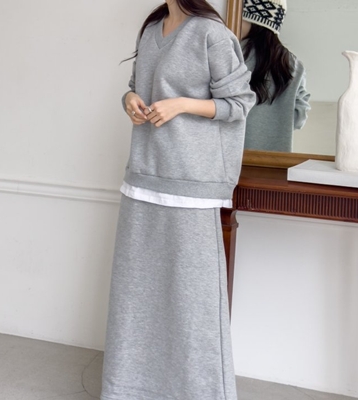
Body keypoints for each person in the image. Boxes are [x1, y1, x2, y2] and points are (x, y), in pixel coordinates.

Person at [101, 1, 255, 399]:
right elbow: (135, 85)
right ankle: (129, 389)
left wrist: (182, 104)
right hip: (143, 176)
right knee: (135, 296)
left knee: (193, 303)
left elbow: (240, 103)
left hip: (191, 184)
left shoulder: (211, 34)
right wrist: (130, 100)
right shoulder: (152, 30)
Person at [241, 0, 311, 152]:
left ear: (252, 19)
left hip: (233, 157)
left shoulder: (235, 55)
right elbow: (299, 119)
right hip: (276, 160)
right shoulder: (294, 65)